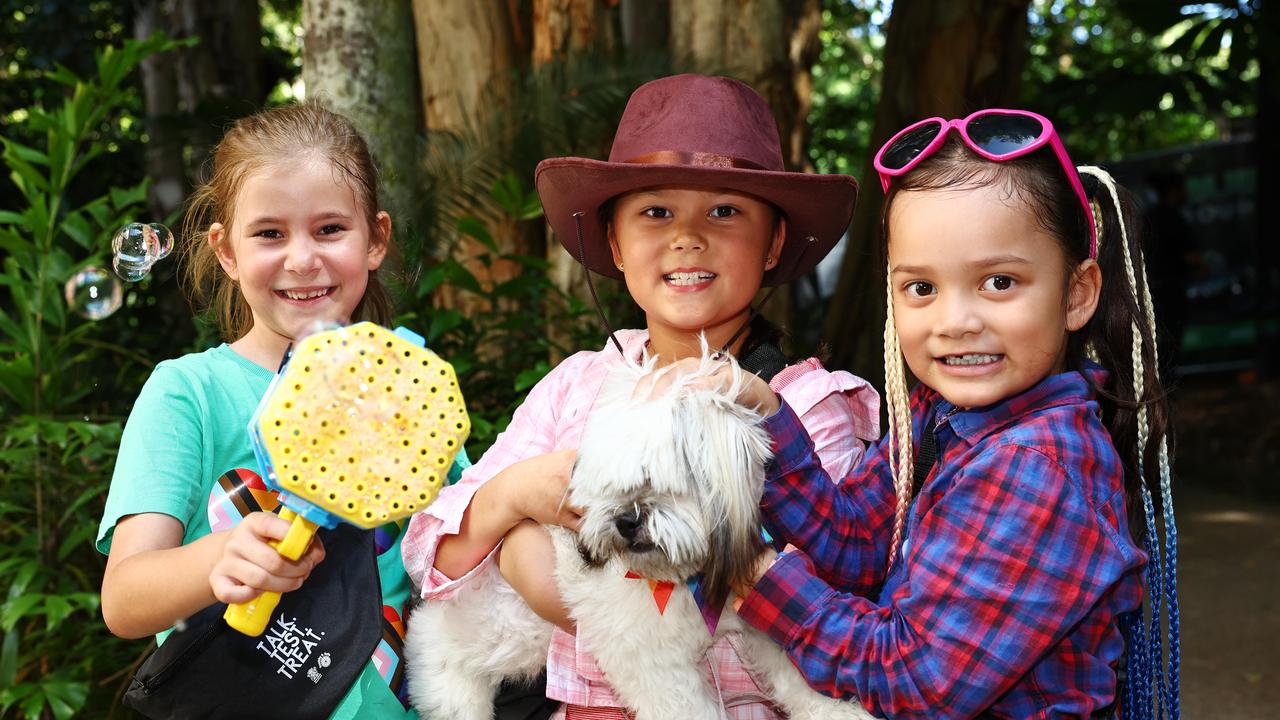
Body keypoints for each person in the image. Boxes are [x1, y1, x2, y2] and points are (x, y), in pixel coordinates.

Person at [401, 74, 881, 720]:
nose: (688, 236)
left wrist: (553, 582)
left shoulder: (805, 408)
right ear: (615, 244)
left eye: (725, 210)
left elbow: (815, 608)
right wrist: (510, 497)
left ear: (773, 244)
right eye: (656, 212)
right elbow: (434, 554)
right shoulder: (578, 384)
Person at [724, 110, 1181, 719]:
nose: (955, 322)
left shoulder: (1037, 467)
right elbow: (859, 545)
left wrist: (760, 579)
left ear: (1077, 294)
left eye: (998, 281)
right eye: (921, 288)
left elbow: (917, 679)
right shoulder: (942, 418)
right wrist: (767, 417)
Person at [98, 102, 459, 718]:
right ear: (227, 251)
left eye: (329, 230)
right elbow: (125, 600)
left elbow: (459, 554)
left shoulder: (406, 389)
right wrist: (221, 557)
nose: (301, 258)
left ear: (375, 240)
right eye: (269, 233)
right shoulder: (189, 393)